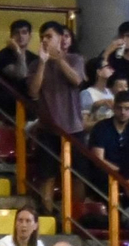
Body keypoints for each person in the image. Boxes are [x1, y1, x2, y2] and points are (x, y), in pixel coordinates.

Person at [27, 21, 87, 154]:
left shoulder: (75, 59)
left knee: (77, 172)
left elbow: (77, 81)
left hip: (73, 127)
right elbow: (33, 92)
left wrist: (58, 59)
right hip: (47, 128)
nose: (45, 41)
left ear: (60, 38)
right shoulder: (34, 64)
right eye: (42, 38)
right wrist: (42, 63)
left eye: (49, 37)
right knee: (46, 174)